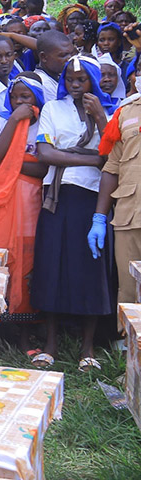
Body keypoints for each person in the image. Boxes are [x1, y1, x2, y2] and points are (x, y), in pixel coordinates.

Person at [32, 56, 114, 371]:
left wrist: (101, 116)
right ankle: (50, 343)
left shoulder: (110, 109)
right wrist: (92, 159)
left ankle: (87, 346)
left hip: (94, 198)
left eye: (82, 80)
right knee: (53, 264)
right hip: (60, 194)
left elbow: (113, 155)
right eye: (70, 80)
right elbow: (46, 152)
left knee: (90, 268)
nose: (76, 86)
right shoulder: (55, 109)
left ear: (93, 80)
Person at [0, 73, 48, 352]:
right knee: (3, 256)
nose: (19, 101)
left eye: (26, 97)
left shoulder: (44, 124)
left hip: (31, 202)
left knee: (27, 260)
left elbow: (43, 167)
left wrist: (11, 164)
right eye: (14, 97)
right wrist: (14, 119)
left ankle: (26, 332)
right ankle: (0, 326)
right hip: (2, 203)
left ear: (38, 100)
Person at [93, 81, 141, 313]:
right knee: (129, 288)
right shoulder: (126, 112)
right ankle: (130, 348)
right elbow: (112, 167)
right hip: (129, 216)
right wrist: (99, 217)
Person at [35, 30, 77, 103]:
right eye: (63, 55)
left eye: (72, 54)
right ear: (44, 57)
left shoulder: (59, 74)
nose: (70, 59)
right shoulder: (44, 84)